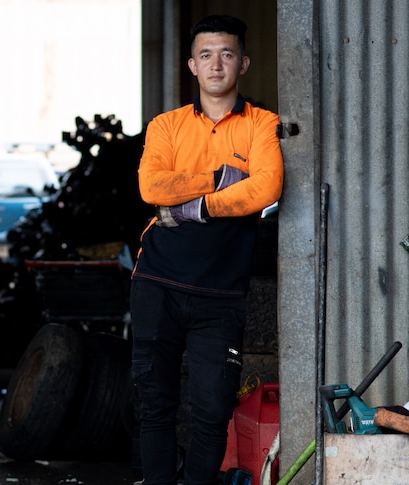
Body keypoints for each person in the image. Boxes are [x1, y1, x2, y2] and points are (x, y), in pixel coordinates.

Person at [130, 14, 284, 485]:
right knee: (155, 404)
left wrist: (194, 207)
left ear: (243, 63)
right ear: (192, 66)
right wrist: (217, 180)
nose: (216, 64)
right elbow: (151, 187)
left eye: (227, 54)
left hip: (221, 295)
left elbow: (265, 188)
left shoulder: (263, 124)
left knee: (213, 409)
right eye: (205, 55)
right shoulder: (166, 126)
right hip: (157, 283)